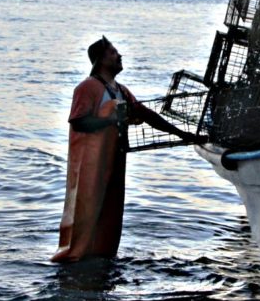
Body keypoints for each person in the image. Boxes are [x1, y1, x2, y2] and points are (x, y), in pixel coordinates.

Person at [51, 36, 202, 262]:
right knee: (86, 212)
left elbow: (147, 115)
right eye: (113, 53)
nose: (119, 56)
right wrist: (111, 122)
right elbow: (78, 121)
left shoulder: (121, 90)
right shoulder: (87, 88)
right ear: (101, 60)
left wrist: (183, 134)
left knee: (110, 218)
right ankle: (72, 259)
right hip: (89, 168)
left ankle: (101, 260)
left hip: (114, 162)